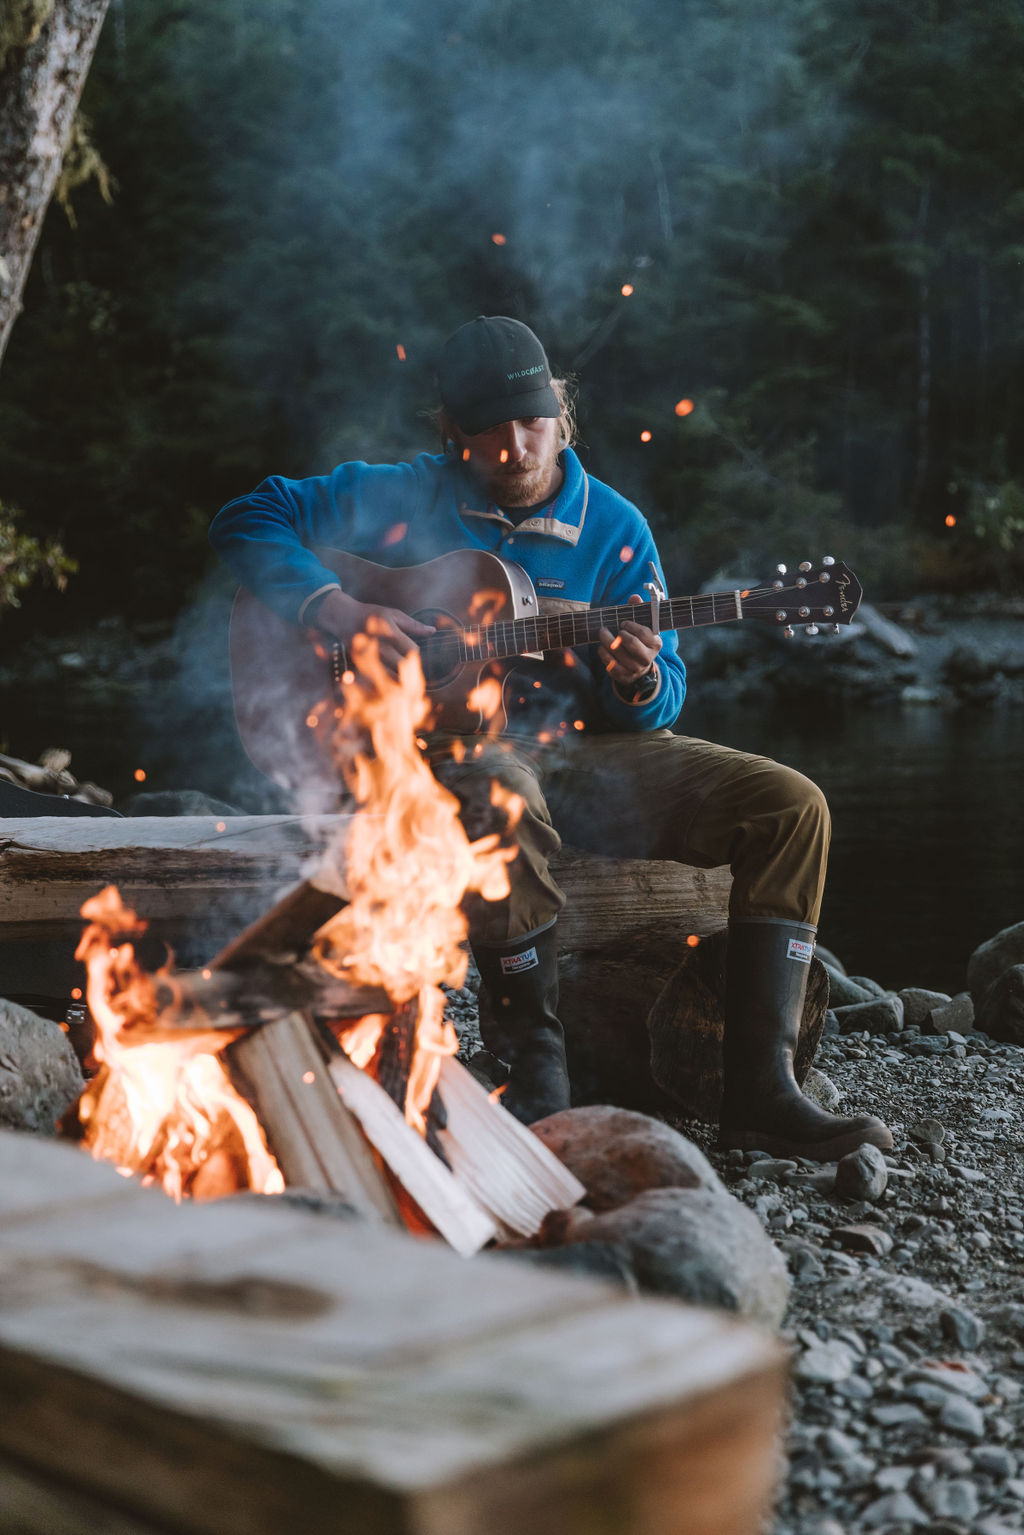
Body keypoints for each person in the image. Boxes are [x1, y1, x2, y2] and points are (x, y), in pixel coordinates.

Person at [210, 314, 892, 1160]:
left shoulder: (616, 528)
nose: (517, 446)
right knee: (503, 788)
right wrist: (340, 610)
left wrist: (637, 678)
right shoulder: (403, 494)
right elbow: (248, 517)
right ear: (452, 434)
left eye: (533, 420)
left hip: (591, 759)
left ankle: (759, 1086)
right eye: (489, 431)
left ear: (561, 412)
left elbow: (662, 700)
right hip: (453, 755)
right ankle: (532, 1075)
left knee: (792, 806)